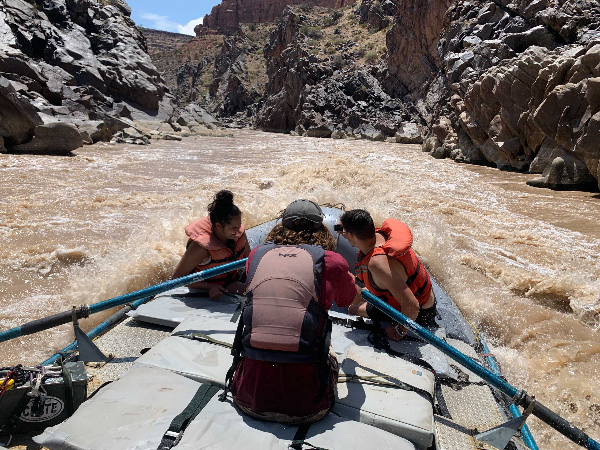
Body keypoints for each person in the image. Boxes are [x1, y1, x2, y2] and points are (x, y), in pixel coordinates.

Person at [226, 200, 357, 425]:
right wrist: (348, 278)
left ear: (281, 226)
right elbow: (346, 300)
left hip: (247, 400)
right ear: (321, 229)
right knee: (325, 345)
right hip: (308, 409)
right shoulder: (333, 262)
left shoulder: (256, 255)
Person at [338, 209, 437, 341]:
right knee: (359, 295)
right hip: (420, 297)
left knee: (352, 309)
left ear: (351, 234)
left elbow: (412, 306)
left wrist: (400, 331)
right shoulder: (381, 234)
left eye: (345, 232)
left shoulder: (377, 264)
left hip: (418, 314)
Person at [171, 190, 250, 299]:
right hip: (210, 284)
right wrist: (209, 287)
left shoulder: (238, 232)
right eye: (234, 228)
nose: (238, 231)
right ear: (218, 226)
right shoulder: (201, 247)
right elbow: (177, 278)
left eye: (238, 226)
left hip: (233, 278)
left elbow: (250, 260)